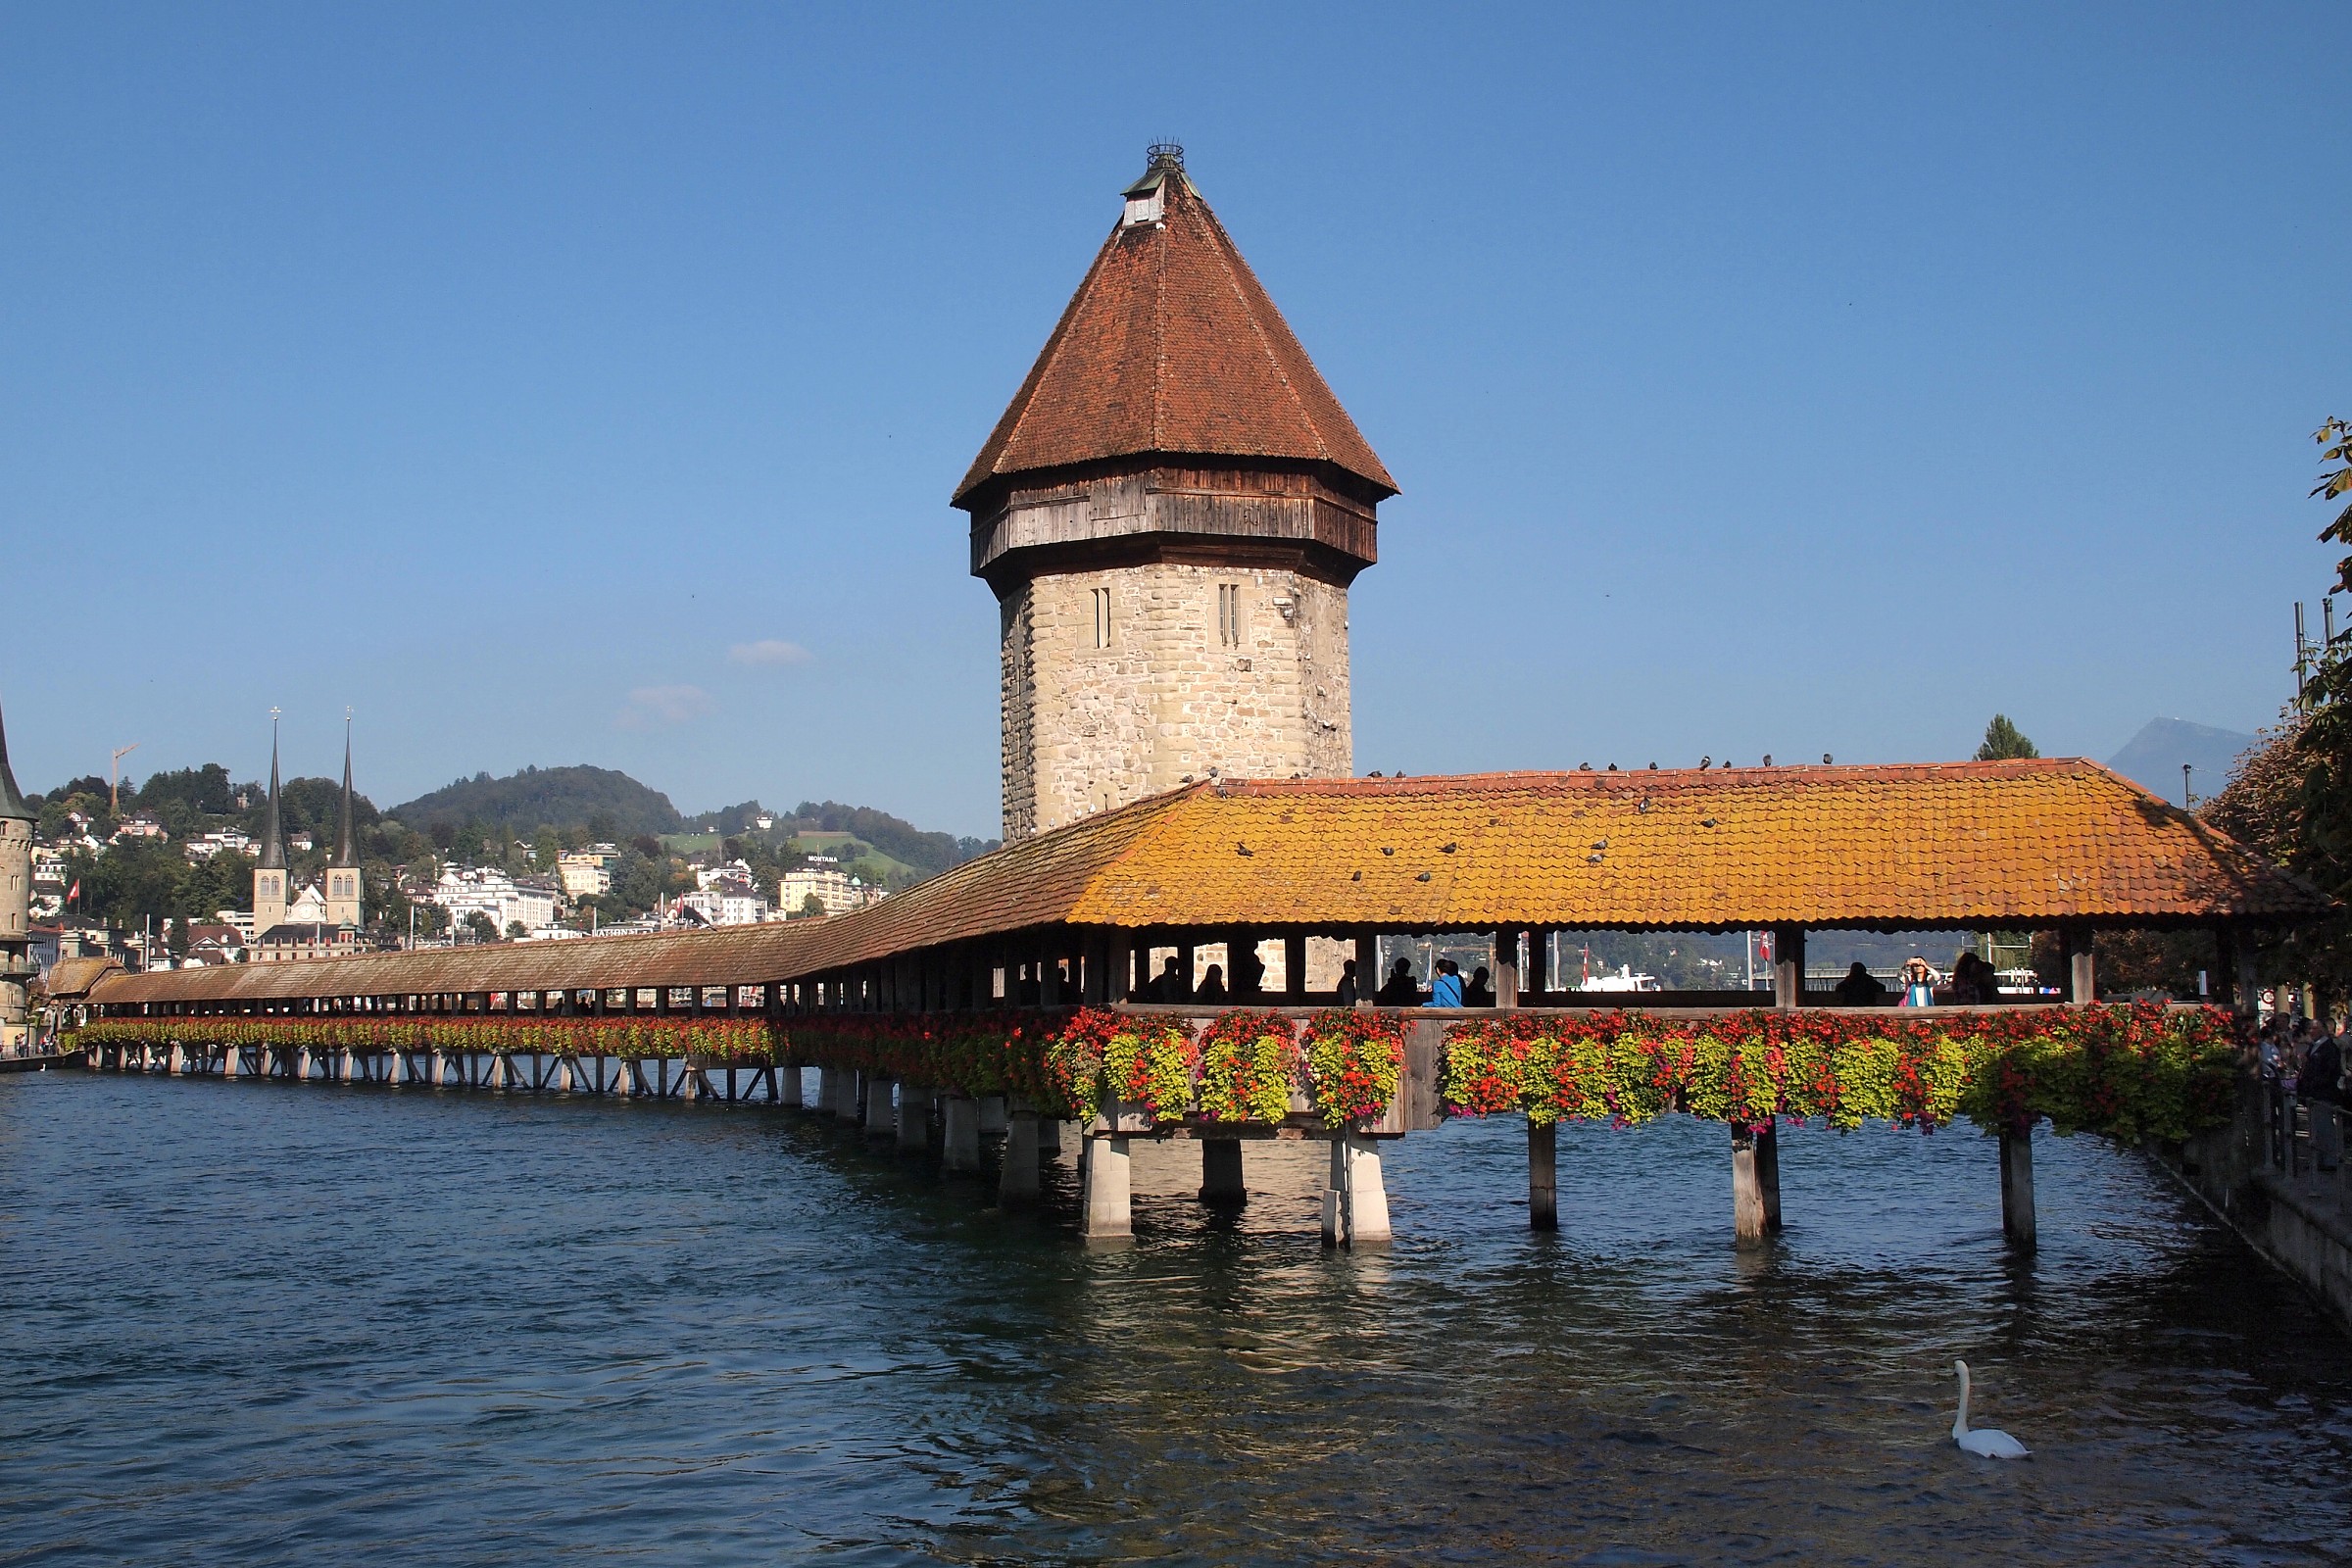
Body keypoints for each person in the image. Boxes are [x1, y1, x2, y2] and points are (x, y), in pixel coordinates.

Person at [2297, 1024, 2342, 1172]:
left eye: (2314, 1028)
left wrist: (2314, 1085)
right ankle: (2321, 1159)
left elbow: (2330, 1072)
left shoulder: (2329, 1049)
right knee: (2317, 1128)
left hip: (2323, 1093)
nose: (2310, 1031)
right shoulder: (2314, 1047)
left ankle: (2330, 1161)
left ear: (2322, 1030)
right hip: (2314, 1093)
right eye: (2310, 1028)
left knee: (2324, 1127)